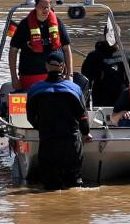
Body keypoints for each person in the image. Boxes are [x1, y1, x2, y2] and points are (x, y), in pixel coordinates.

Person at [25, 51, 91, 189]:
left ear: (46, 67)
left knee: (50, 185)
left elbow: (30, 117)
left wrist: (41, 127)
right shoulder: (75, 89)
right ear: (63, 67)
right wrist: (85, 133)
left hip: (48, 142)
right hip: (71, 143)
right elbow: (83, 117)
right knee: (74, 184)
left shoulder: (34, 90)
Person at [8, 0, 73, 91]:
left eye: (47, 7)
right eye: (42, 7)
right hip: (30, 75)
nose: (45, 10)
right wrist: (14, 78)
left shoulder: (58, 23)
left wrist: (70, 74)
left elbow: (66, 48)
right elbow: (13, 50)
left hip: (56, 76)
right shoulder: (24, 25)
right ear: (35, 6)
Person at [79, 27, 130, 107]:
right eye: (110, 35)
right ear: (105, 35)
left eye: (115, 35)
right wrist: (86, 106)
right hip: (100, 103)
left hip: (123, 104)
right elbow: (85, 83)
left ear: (119, 36)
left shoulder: (128, 57)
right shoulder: (93, 57)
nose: (113, 38)